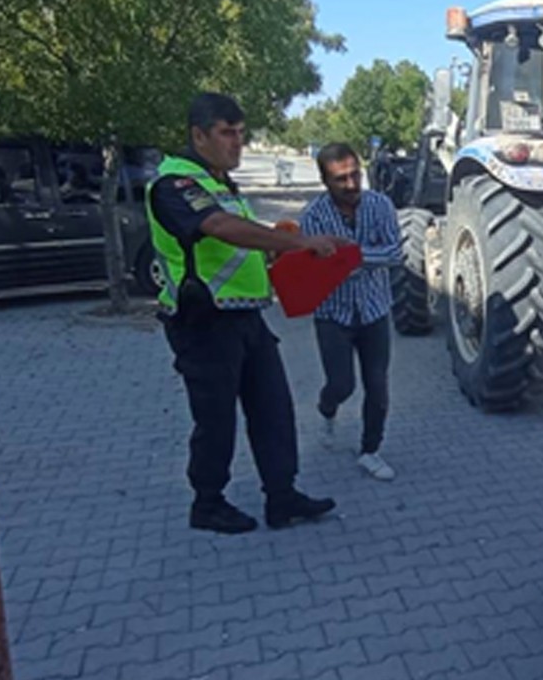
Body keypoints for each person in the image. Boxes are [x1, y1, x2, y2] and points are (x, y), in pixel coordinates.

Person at [147, 91, 348, 534]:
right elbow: (218, 228)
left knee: (273, 409)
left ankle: (282, 496)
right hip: (202, 322)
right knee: (216, 420)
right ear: (198, 135)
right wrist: (297, 243)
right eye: (226, 134)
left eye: (241, 133)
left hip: (246, 318)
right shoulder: (174, 184)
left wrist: (279, 252)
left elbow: (237, 246)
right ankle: (208, 504)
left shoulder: (221, 183)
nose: (236, 143)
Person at [299, 143, 402, 481]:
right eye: (341, 179)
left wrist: (351, 258)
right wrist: (348, 262)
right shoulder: (313, 216)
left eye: (355, 174)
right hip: (333, 314)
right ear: (325, 181)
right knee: (341, 384)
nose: (352, 184)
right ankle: (327, 409)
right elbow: (313, 269)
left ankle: (371, 450)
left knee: (378, 385)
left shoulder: (380, 205)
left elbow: (394, 252)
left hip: (374, 310)